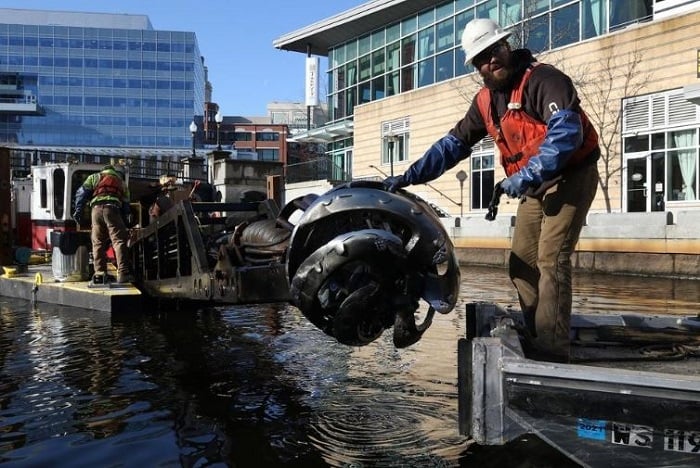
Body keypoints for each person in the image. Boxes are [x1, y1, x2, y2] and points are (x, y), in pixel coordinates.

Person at [383, 18, 600, 362]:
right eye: (482, 58)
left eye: (495, 50)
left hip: (572, 174)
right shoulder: (484, 102)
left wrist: (529, 174)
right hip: (535, 185)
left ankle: (553, 352)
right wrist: (409, 176)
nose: (491, 60)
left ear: (507, 46)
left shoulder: (545, 80)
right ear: (476, 67)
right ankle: (537, 330)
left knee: (551, 259)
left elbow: (566, 134)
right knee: (521, 263)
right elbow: (451, 146)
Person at [73, 164, 134, 284]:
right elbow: (126, 205)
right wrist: (126, 222)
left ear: (103, 171)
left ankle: (100, 274)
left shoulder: (94, 177)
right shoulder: (121, 183)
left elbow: (81, 193)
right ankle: (123, 273)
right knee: (118, 241)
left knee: (97, 242)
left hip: (95, 211)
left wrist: (78, 211)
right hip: (112, 209)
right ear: (113, 172)